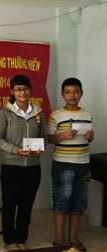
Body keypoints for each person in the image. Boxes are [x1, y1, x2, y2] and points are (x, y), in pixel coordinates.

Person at [0, 74, 47, 251]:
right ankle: (9, 240)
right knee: (9, 205)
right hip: (11, 166)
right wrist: (16, 150)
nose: (22, 92)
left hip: (33, 166)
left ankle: (21, 237)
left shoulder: (38, 113)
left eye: (25, 88)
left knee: (26, 205)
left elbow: (44, 138)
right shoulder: (5, 113)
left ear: (30, 90)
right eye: (18, 89)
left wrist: (40, 148)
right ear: (12, 91)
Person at [48, 78, 93, 252]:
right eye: (68, 92)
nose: (72, 95)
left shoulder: (87, 114)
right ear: (62, 95)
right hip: (62, 164)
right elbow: (50, 139)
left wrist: (90, 137)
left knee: (79, 203)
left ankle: (73, 238)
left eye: (76, 91)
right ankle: (59, 240)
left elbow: (89, 138)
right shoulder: (56, 115)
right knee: (62, 201)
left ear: (81, 93)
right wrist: (62, 136)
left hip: (83, 163)